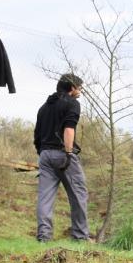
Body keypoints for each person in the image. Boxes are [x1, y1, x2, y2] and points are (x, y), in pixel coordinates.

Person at [34, 74, 90, 242]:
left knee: (45, 198)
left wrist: (42, 153)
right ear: (72, 88)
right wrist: (68, 153)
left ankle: (43, 238)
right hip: (63, 153)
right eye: (79, 87)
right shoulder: (72, 103)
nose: (80, 91)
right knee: (78, 194)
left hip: (45, 155)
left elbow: (37, 135)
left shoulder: (44, 107)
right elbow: (69, 129)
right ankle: (80, 237)